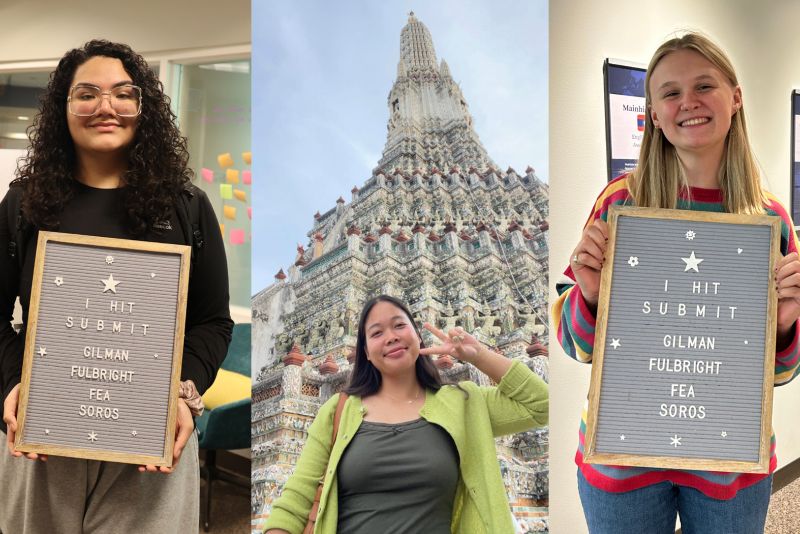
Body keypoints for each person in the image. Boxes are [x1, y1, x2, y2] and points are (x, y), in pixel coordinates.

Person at [553, 32, 800, 534]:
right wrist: (592, 295)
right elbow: (573, 343)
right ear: (654, 112)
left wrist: (784, 324)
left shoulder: (770, 220)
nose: (687, 102)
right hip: (621, 456)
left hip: (730, 462)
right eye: (669, 92)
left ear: (735, 97)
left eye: (704, 85)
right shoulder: (621, 202)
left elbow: (780, 373)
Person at [0, 40, 233, 533]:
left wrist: (182, 395)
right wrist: (13, 384)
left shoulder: (187, 206)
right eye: (87, 94)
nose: (106, 107)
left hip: (151, 438)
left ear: (142, 106)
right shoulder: (23, 204)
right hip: (41, 437)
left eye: (123, 93)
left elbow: (213, 321)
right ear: (62, 108)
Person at [263, 294, 548, 534]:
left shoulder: (463, 403)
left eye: (400, 325)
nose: (391, 337)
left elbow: (542, 404)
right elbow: (296, 500)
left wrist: (478, 354)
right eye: (377, 332)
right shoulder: (338, 411)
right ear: (366, 351)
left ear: (416, 336)